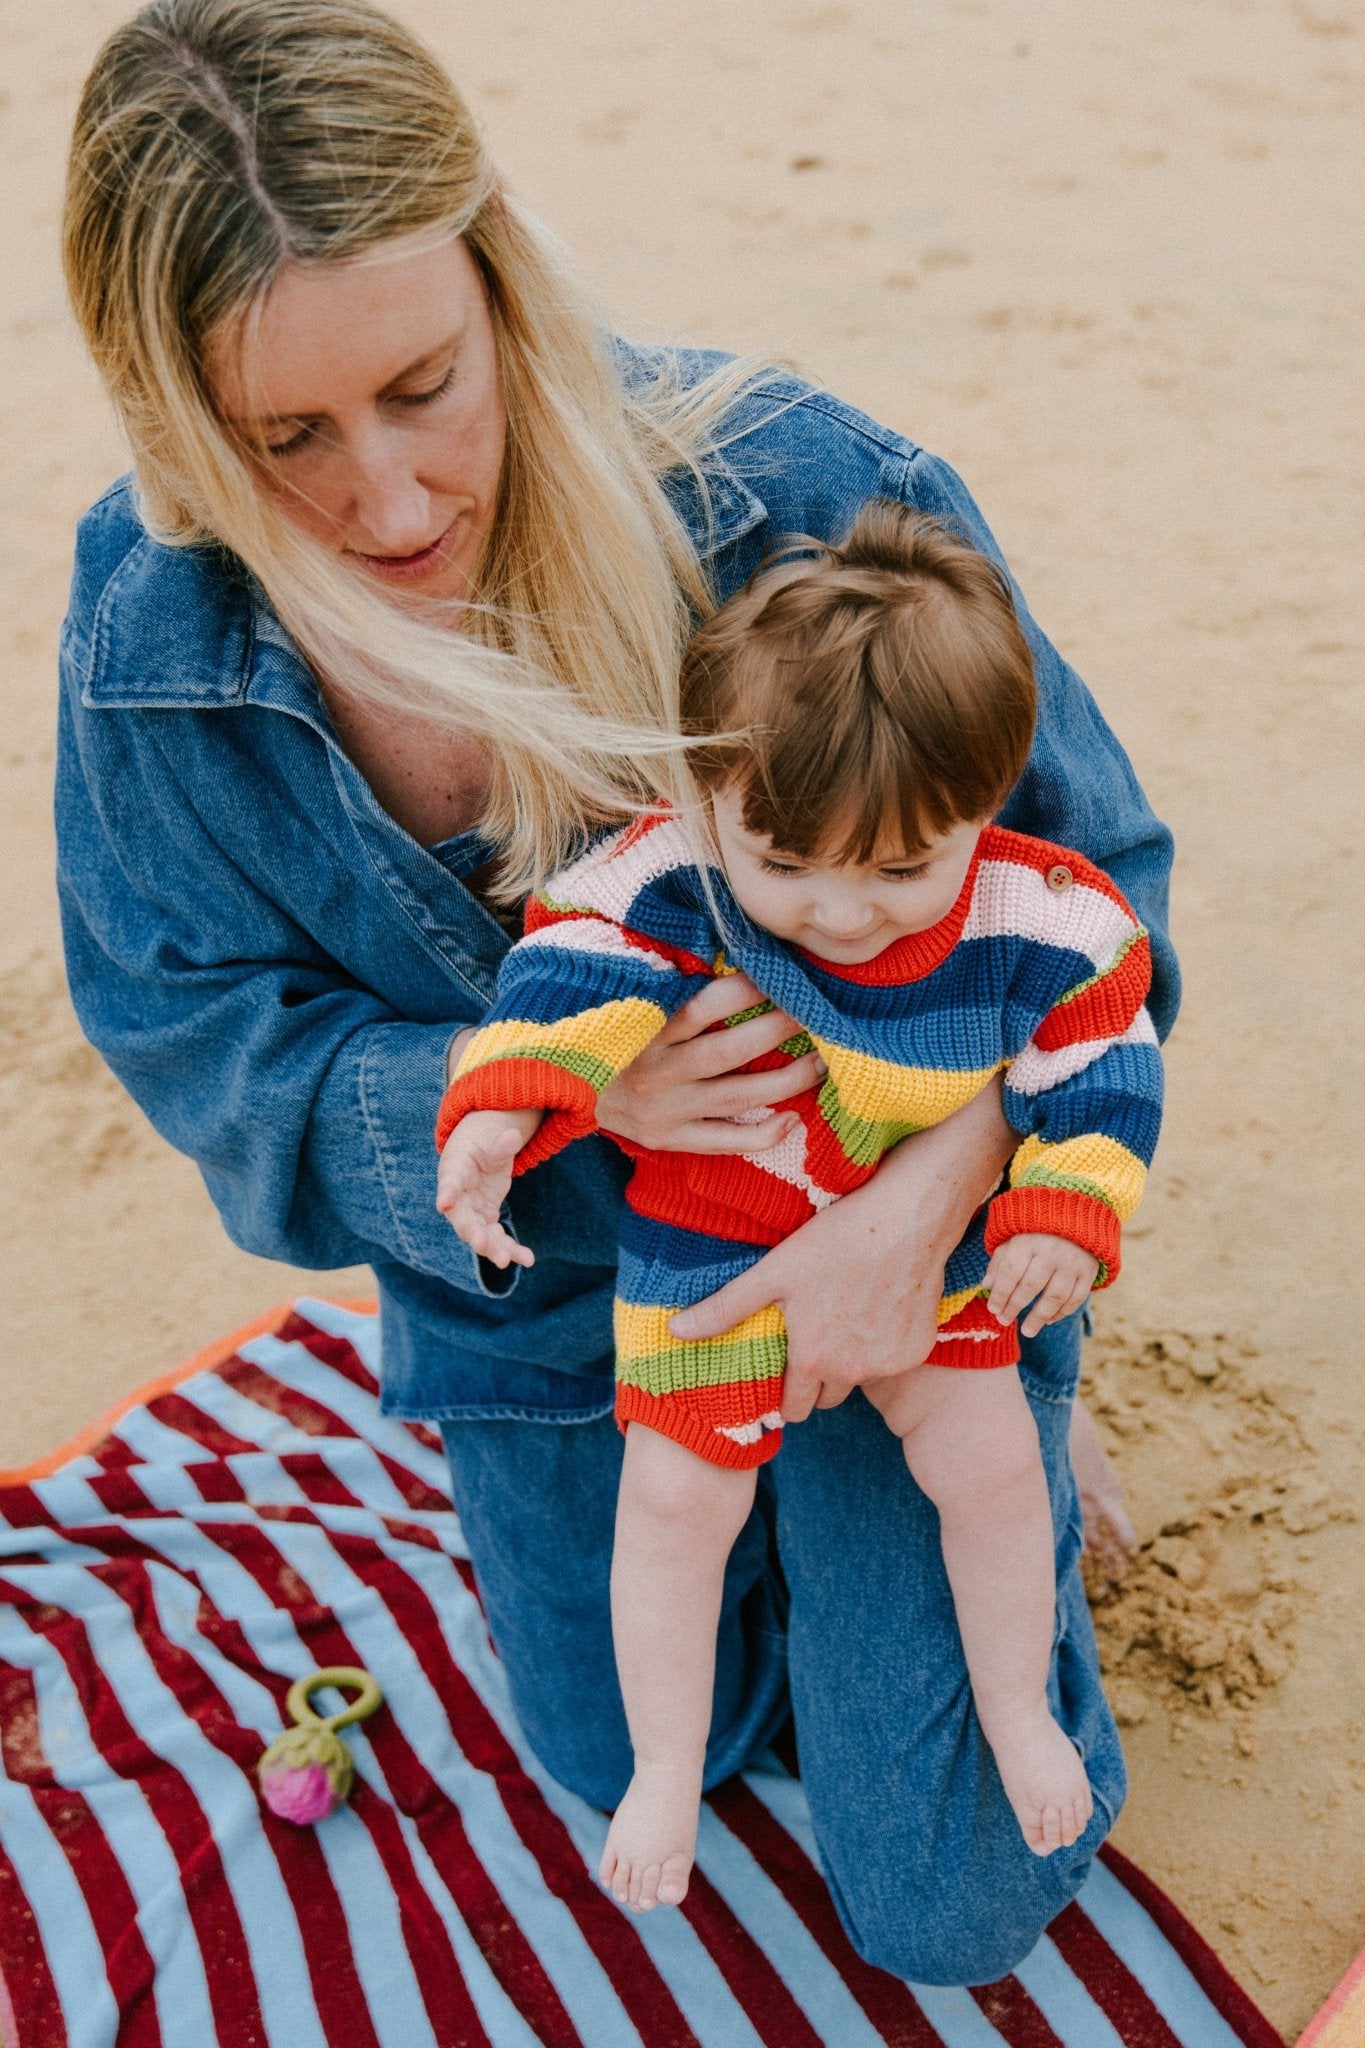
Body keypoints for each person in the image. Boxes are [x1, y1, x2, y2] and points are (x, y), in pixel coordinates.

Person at [58, 0, 1177, 1985]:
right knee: (642, 1747)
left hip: (892, 1242)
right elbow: (207, 1050)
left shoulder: (794, 490)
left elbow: (1110, 914)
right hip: (549, 1306)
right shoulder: (150, 629)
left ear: (499, 270)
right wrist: (550, 1095)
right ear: (168, 416)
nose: (391, 504)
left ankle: (1013, 1413)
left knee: (943, 1900)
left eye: (425, 386)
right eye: (283, 439)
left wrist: (922, 1217)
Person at [436, 502, 1163, 1909]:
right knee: (672, 1504)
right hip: (714, 1238)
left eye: (901, 870)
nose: (838, 914)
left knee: (989, 1468)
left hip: (929, 1253)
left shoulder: (1044, 919)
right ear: (705, 792)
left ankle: (1018, 1705)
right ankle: (664, 1764)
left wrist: (1060, 1212)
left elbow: (1100, 1065)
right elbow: (569, 967)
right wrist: (500, 1108)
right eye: (785, 867)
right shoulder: (676, 867)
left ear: (987, 804)